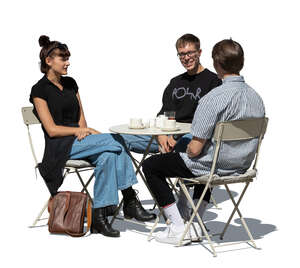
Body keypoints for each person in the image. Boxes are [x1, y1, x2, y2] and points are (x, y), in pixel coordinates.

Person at [29, 35, 156, 238]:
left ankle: (99, 216)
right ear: (49, 61)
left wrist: (90, 132)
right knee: (118, 141)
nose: (67, 62)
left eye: (67, 58)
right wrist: (80, 132)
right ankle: (130, 198)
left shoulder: (71, 84)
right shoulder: (39, 90)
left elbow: (82, 123)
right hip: (60, 147)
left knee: (109, 155)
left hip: (81, 141)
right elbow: (51, 129)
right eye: (63, 58)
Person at [142, 39, 265, 245]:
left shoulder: (213, 98)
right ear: (241, 62)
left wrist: (187, 149)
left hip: (216, 166)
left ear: (216, 64)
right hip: (242, 166)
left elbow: (195, 150)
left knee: (152, 165)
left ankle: (177, 226)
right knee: (205, 159)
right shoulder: (256, 97)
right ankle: (197, 222)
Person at [119, 34, 221, 219]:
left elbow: (210, 122)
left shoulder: (213, 82)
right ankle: (130, 199)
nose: (186, 58)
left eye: (190, 53)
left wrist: (176, 138)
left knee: (189, 146)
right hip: (165, 136)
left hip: (193, 138)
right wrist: (161, 137)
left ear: (199, 52)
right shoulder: (175, 83)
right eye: (181, 54)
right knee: (119, 141)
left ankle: (183, 209)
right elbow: (163, 114)